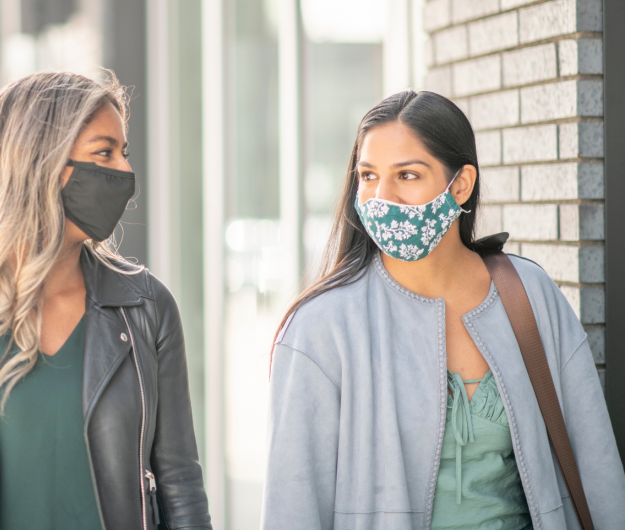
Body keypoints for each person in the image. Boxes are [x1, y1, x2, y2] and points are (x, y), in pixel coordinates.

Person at [261, 91, 625, 529]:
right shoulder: (319, 328)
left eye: (407, 175)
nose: (382, 196)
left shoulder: (532, 295)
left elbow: (598, 469)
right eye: (369, 175)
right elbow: (293, 509)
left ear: (460, 185)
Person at [0, 71, 210, 530]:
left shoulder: (146, 307)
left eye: (123, 153)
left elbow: (180, 487)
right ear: (41, 161)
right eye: (104, 152)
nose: (126, 172)